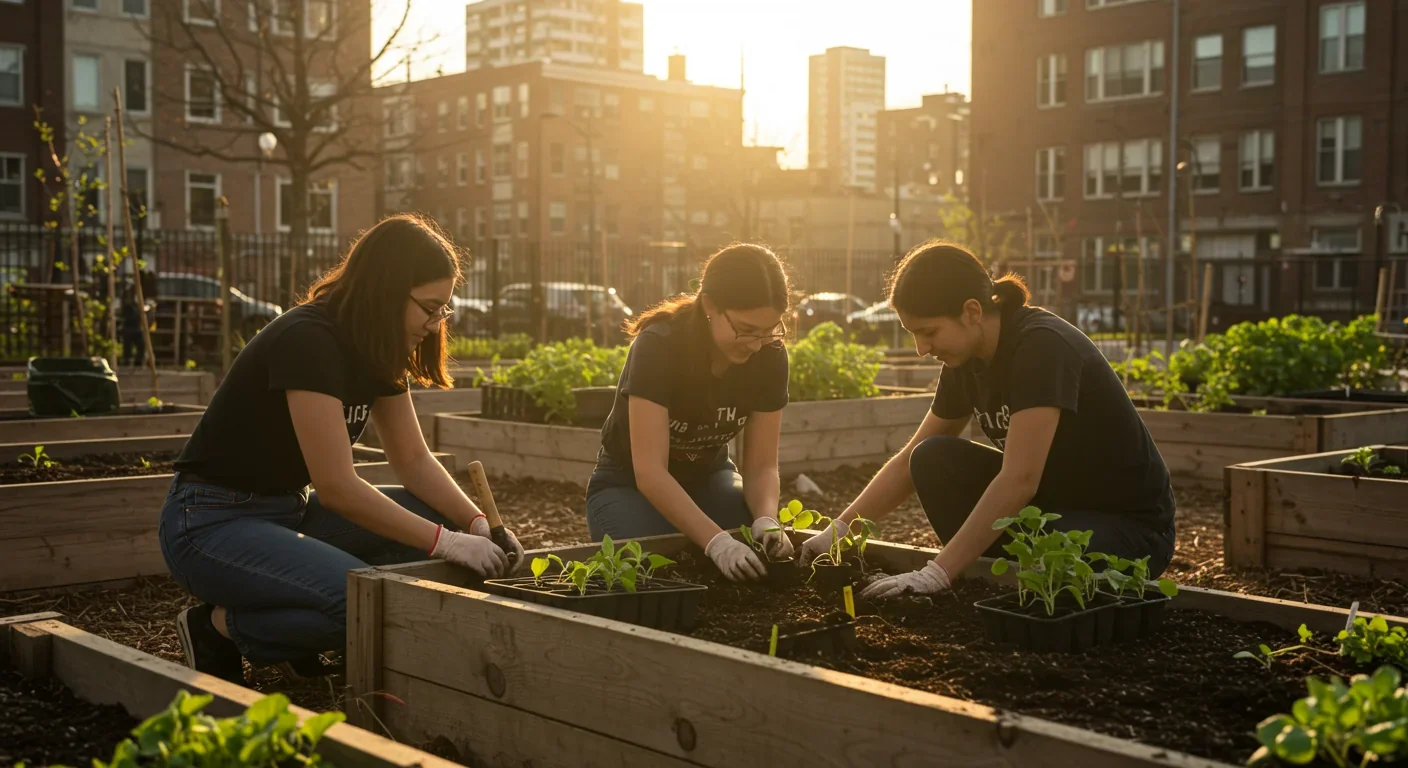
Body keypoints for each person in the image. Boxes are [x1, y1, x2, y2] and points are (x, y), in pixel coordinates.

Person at [159, 214, 524, 684]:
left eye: (443, 311)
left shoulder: (376, 346)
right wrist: (449, 543)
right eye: (430, 308)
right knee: (364, 600)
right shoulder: (308, 339)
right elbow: (336, 488)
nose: (436, 326)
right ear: (387, 289)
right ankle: (218, 629)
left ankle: (297, 617)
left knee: (433, 523)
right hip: (209, 524)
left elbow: (414, 461)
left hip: (287, 514)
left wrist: (476, 523)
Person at [798, 240, 1176, 599]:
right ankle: (986, 571)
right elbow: (908, 460)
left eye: (929, 332)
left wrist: (936, 572)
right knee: (931, 458)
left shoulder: (1041, 347)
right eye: (913, 335)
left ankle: (976, 572)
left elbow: (1020, 479)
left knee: (1053, 548)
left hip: (1129, 528)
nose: (921, 349)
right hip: (1051, 511)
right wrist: (839, 530)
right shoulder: (966, 359)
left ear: (972, 312)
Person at [586, 244, 793, 582]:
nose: (757, 343)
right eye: (746, 329)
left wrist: (766, 519)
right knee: (646, 572)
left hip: (709, 478)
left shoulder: (769, 355)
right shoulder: (660, 346)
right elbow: (650, 472)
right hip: (627, 485)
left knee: (757, 555)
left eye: (769, 329)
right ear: (711, 305)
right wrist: (716, 543)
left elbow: (762, 465)